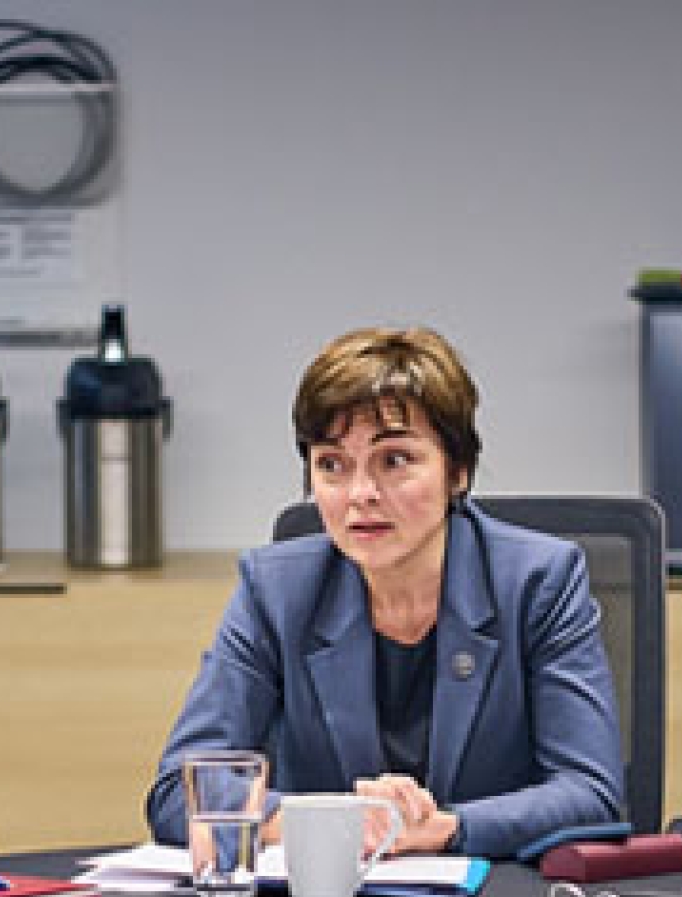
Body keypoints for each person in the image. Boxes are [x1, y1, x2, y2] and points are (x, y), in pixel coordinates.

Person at [147, 325, 624, 860]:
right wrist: (341, 821)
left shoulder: (540, 581)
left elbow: (593, 796)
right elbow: (179, 794)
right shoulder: (276, 591)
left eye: (394, 460)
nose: (360, 495)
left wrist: (448, 827)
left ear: (458, 471)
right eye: (331, 464)